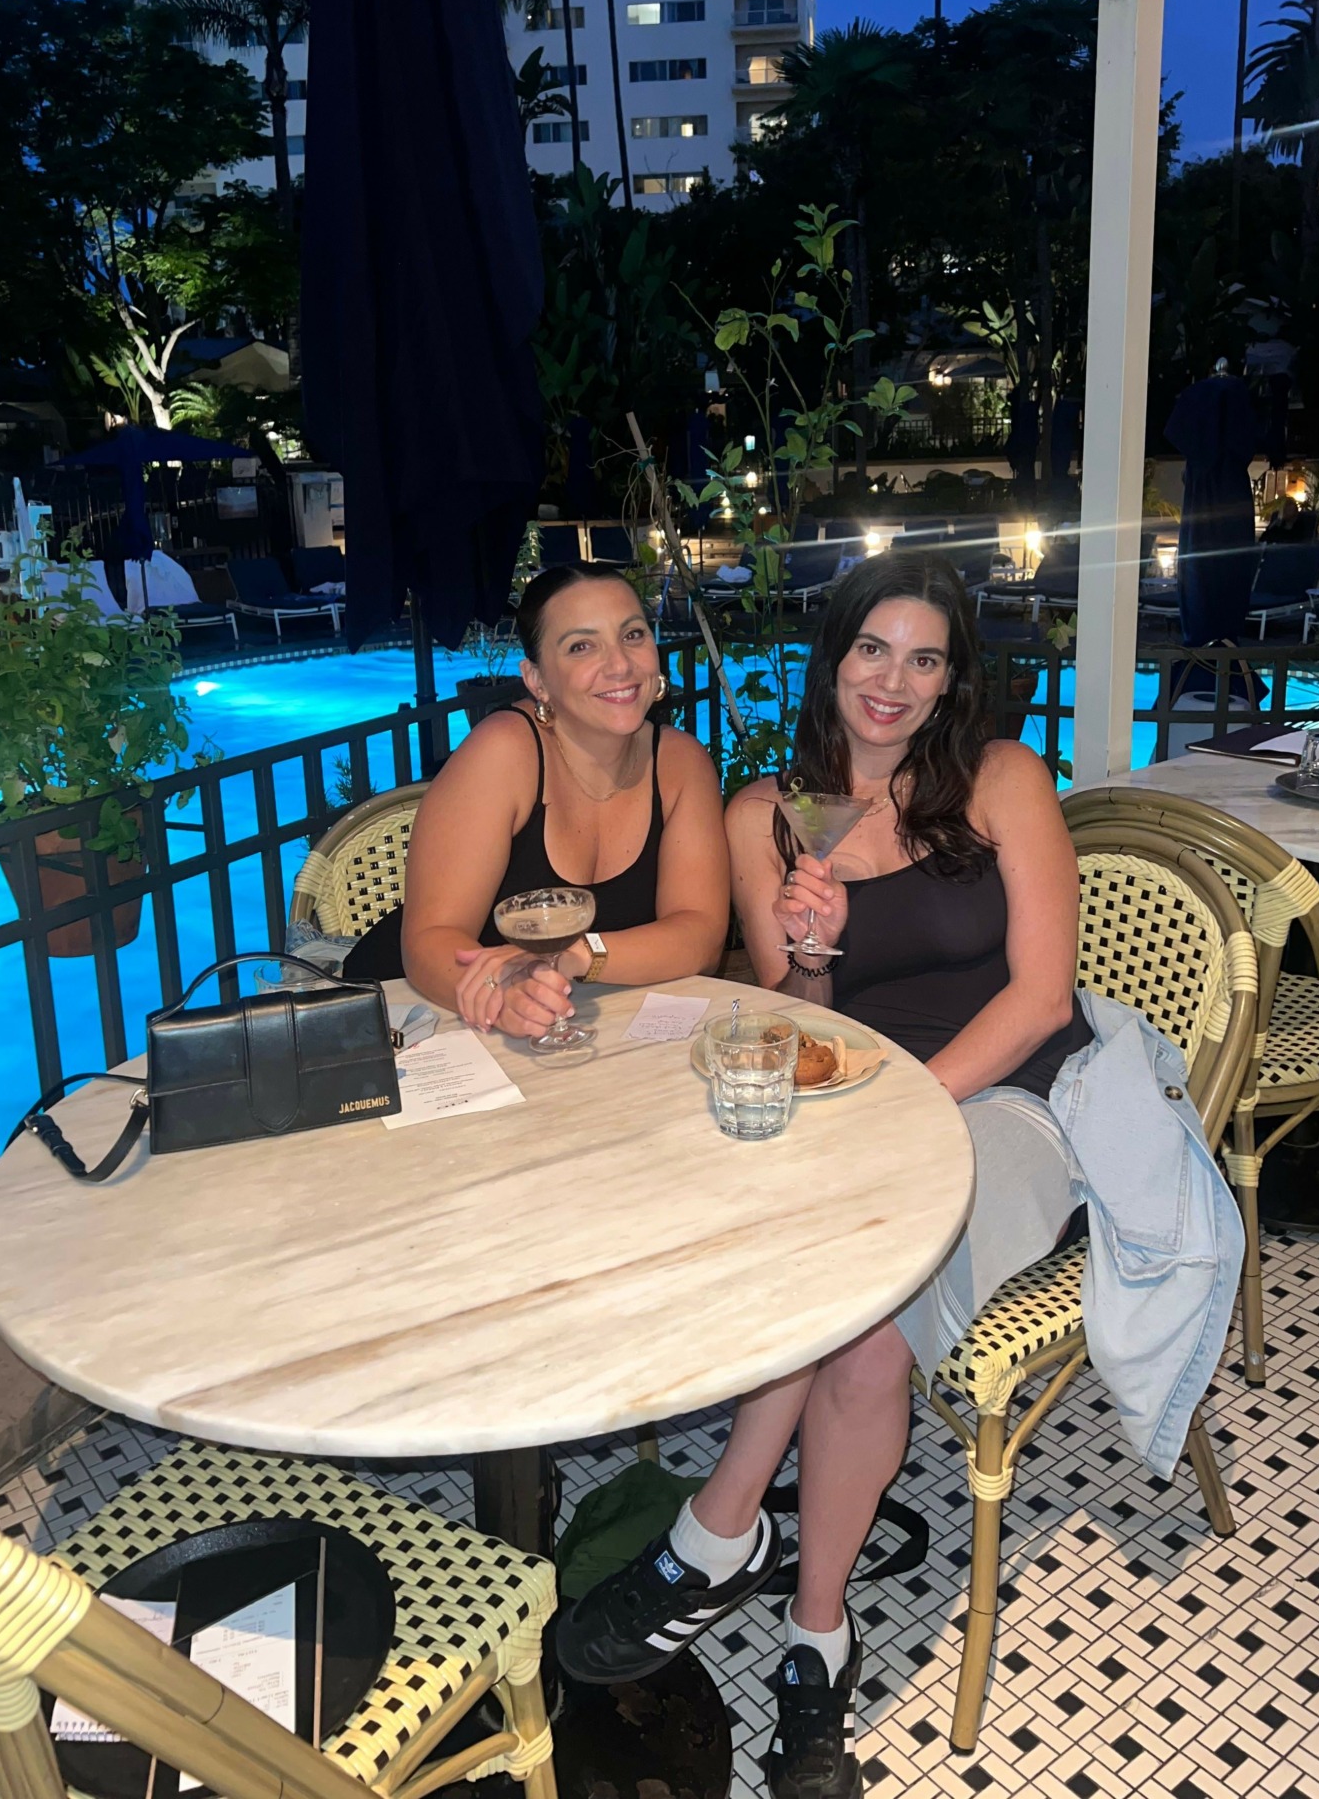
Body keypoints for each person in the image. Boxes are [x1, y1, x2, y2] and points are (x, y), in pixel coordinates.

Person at [557, 551, 1091, 1799]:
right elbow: (797, 1013)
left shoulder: (1003, 779)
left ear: (954, 678)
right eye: (872, 649)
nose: (892, 681)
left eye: (924, 658)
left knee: (862, 1325)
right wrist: (812, 949)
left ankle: (774, 1589)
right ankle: (767, 1586)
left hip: (1008, 1098)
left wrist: (914, 1109)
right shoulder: (770, 814)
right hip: (848, 1094)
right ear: (833, 658)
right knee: (790, 1265)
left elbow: (1041, 996)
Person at [399, 563, 729, 1032]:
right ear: (537, 680)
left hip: (595, 1029)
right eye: (581, 646)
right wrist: (503, 993)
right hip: (435, 1026)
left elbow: (699, 937)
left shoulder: (681, 765)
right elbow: (429, 940)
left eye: (632, 635)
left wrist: (575, 955)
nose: (620, 664)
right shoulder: (504, 752)